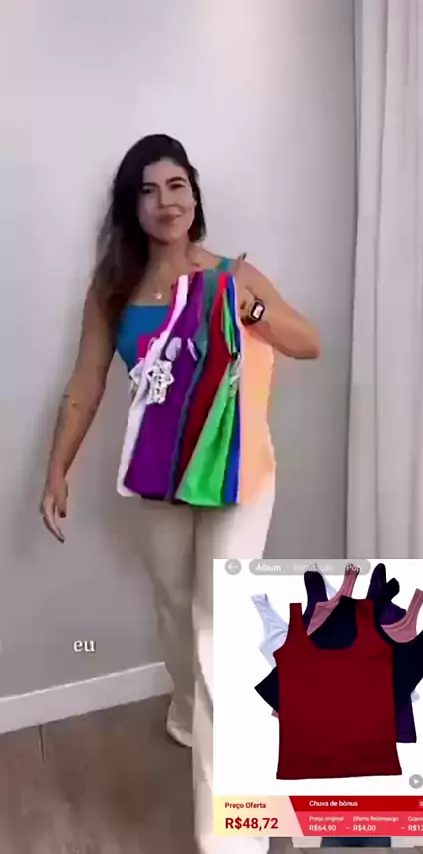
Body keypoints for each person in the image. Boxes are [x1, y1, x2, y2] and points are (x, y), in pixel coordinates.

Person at [39, 134, 320, 853]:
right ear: (131, 207)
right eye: (148, 190)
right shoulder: (114, 292)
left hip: (238, 478)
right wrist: (57, 470)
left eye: (176, 186)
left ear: (194, 195)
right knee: (175, 610)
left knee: (220, 634)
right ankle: (188, 705)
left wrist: (251, 312)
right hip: (159, 480)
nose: (165, 202)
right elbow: (84, 387)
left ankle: (230, 836)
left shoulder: (233, 274)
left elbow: (307, 342)